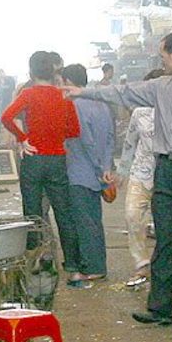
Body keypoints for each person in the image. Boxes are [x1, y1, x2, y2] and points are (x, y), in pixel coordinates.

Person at [71, 32, 172, 326]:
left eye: (163, 56)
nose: (161, 61)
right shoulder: (160, 88)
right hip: (166, 171)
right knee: (166, 239)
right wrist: (83, 92)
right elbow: (123, 92)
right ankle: (160, 308)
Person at [1, 50, 81, 258]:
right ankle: (73, 267)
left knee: (32, 213)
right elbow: (74, 130)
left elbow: (6, 117)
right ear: (53, 71)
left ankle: (37, 262)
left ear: (31, 72)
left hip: (33, 159)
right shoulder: (63, 96)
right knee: (64, 213)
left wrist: (22, 138)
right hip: (57, 159)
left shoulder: (27, 94)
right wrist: (56, 135)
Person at [59, 63, 114, 287]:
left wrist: (98, 167)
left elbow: (86, 140)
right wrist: (106, 168)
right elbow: (110, 137)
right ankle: (98, 265)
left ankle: (92, 268)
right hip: (99, 172)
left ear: (69, 83)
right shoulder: (100, 104)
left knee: (84, 223)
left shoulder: (76, 105)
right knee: (94, 221)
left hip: (81, 171)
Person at [117, 69, 164, 289]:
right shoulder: (139, 113)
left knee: (166, 225)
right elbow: (130, 143)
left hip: (167, 174)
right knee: (133, 215)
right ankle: (141, 263)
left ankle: (164, 267)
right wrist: (123, 172)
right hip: (141, 173)